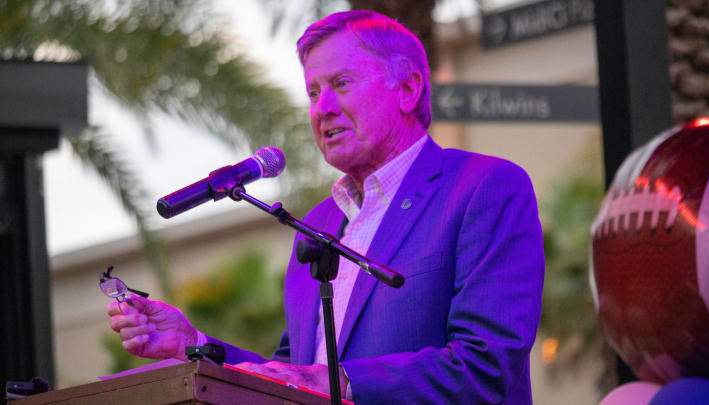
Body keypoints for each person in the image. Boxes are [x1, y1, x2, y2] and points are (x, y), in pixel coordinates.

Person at [108, 10, 544, 404]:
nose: (322, 108)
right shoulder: (318, 226)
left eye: (341, 84)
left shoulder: (483, 188)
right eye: (313, 92)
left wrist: (341, 381)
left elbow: (485, 366)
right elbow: (289, 373)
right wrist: (192, 342)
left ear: (407, 89)